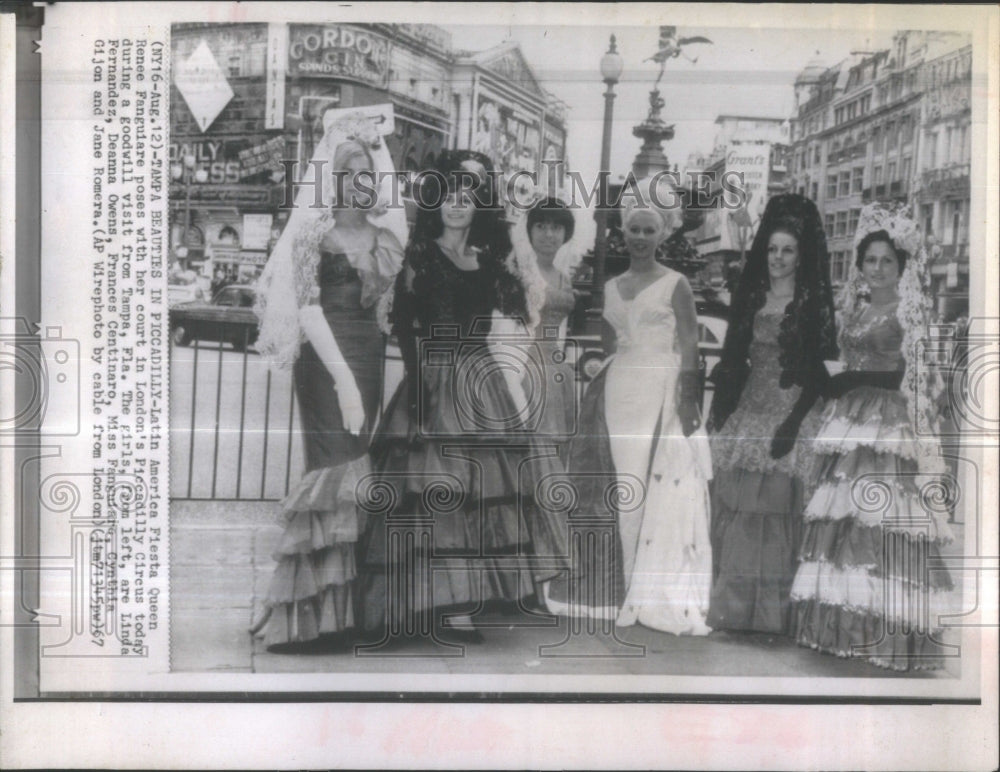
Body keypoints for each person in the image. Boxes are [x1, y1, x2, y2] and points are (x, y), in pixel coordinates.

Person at [359, 151, 571, 644]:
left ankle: (460, 601)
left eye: (467, 198)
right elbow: (407, 328)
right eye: (449, 198)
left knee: (477, 494)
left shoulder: (488, 261)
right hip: (433, 379)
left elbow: (527, 308)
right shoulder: (420, 254)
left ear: (479, 206)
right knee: (437, 492)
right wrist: (414, 392)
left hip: (482, 380)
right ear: (437, 204)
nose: (457, 207)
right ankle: (430, 601)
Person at [249, 109, 408, 651]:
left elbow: (399, 220)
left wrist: (375, 141)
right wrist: (341, 382)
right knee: (332, 469)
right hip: (326, 362)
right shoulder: (312, 236)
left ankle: (342, 615)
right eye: (349, 174)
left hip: (368, 354)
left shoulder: (387, 236)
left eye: (368, 175)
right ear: (332, 180)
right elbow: (310, 312)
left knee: (355, 471)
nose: (360, 184)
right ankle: (305, 618)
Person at [544, 176, 714, 635]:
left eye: (648, 230)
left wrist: (688, 396)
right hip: (618, 387)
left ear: (663, 234)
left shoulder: (676, 283)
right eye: (633, 230)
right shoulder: (613, 284)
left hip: (658, 390)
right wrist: (598, 362)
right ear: (623, 232)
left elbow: (690, 343)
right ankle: (616, 584)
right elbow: (607, 340)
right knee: (617, 481)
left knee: (646, 479)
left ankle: (646, 585)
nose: (640, 238)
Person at [790, 204, 955, 670]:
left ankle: (881, 629)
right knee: (841, 516)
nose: (877, 268)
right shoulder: (858, 309)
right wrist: (836, 380)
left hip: (888, 421)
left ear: (901, 267)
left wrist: (857, 379)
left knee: (878, 517)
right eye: (870, 261)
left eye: (886, 261)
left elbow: (918, 375)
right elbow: (846, 359)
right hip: (852, 414)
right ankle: (838, 625)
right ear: (860, 267)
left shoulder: (910, 312)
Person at [706, 193, 839, 635]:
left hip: (792, 413)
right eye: (772, 249)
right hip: (751, 408)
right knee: (742, 514)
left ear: (801, 257)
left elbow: (822, 369)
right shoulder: (752, 295)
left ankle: (774, 615)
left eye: (787, 251)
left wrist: (795, 422)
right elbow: (734, 358)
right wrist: (723, 410)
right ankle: (737, 611)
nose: (778, 258)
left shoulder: (813, 304)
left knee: (778, 515)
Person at [506, 196, 583, 452]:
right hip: (524, 366)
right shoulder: (518, 272)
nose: (548, 234)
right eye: (541, 226)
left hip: (556, 369)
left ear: (565, 233)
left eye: (556, 228)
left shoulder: (564, 278)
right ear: (529, 230)